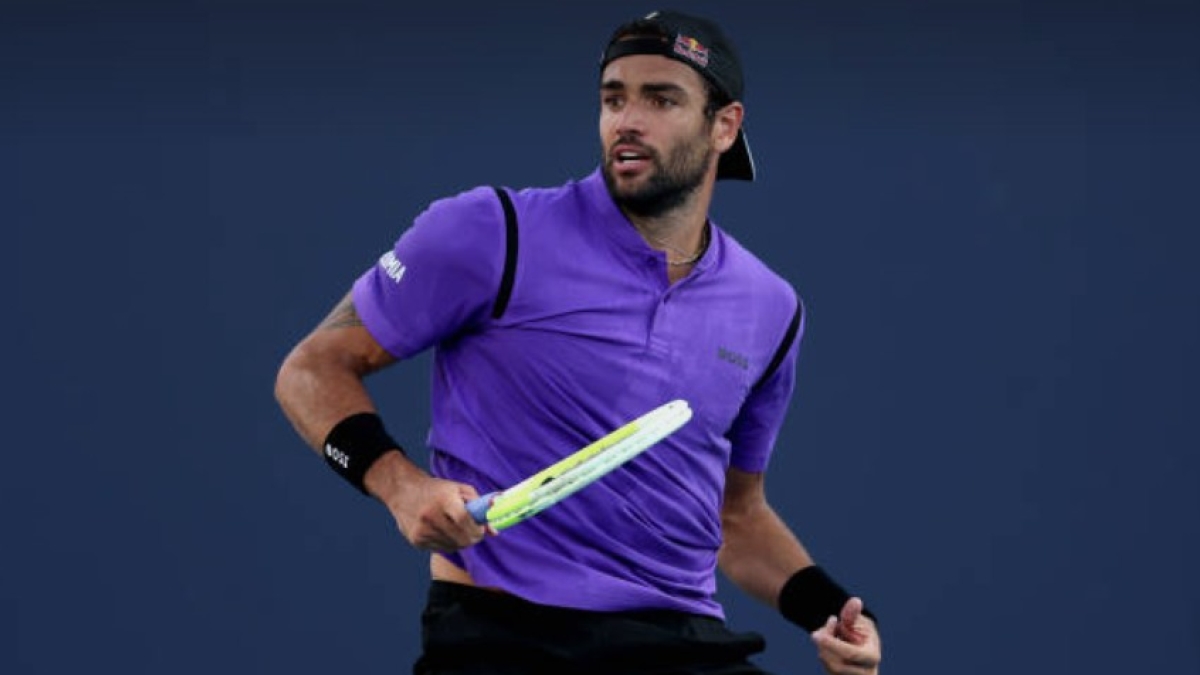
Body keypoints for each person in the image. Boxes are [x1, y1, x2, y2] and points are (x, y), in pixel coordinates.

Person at [275, 9, 882, 675]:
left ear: (724, 126)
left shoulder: (772, 308)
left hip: (679, 641)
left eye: (661, 98)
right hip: (505, 636)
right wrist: (401, 486)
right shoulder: (491, 231)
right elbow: (311, 368)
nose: (628, 119)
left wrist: (834, 609)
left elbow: (735, 516)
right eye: (613, 97)